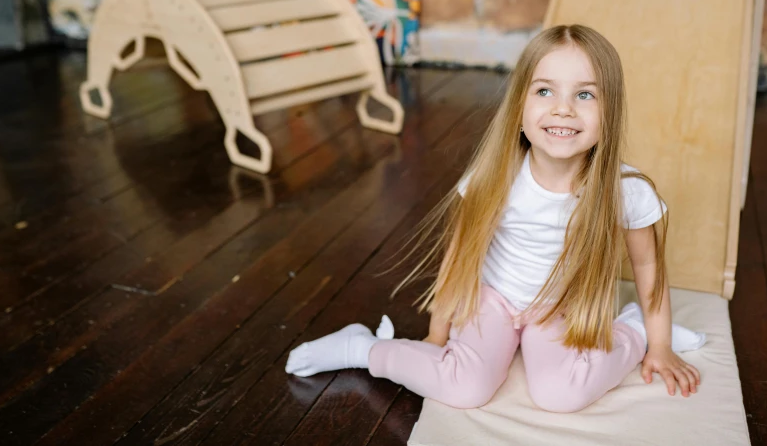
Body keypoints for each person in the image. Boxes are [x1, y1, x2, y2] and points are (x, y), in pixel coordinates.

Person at [285, 24, 706, 412]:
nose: (562, 109)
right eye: (544, 91)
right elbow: (459, 257)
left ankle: (632, 330)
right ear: (519, 106)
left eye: (585, 95)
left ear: (610, 112)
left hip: (558, 308)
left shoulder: (625, 190)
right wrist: (436, 335)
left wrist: (659, 343)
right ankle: (362, 349)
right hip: (494, 300)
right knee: (464, 388)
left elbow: (648, 266)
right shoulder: (496, 177)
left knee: (562, 396)